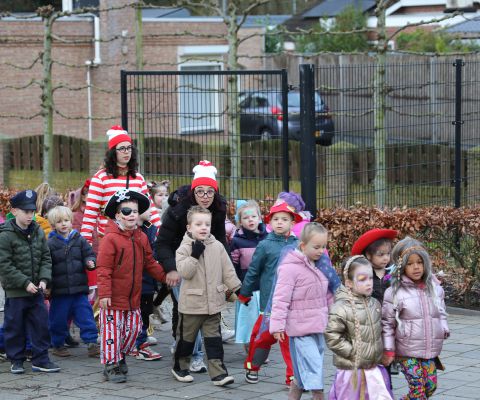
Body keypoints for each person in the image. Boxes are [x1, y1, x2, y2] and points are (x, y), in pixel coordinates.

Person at [155, 160, 229, 373]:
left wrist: (225, 274)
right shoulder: (178, 211)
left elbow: (221, 240)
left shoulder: (218, 208)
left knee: (202, 311)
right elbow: (162, 243)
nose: (205, 196)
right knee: (191, 312)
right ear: (193, 191)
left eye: (210, 192)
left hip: (206, 264)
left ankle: (184, 347)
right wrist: (171, 268)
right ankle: (193, 355)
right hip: (180, 262)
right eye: (200, 191)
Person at [96, 189, 166, 383]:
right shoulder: (110, 239)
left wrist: (165, 276)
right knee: (112, 333)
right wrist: (104, 293)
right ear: (118, 215)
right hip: (113, 299)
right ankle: (111, 365)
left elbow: (150, 262)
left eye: (135, 211)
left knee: (133, 331)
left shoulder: (141, 237)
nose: (132, 215)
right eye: (126, 211)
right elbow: (103, 269)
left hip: (133, 298)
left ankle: (120, 356)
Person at [173, 206, 241, 386]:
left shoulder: (217, 246)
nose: (203, 227)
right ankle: (180, 367)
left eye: (207, 224)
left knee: (214, 341)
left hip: (214, 304)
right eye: (198, 224)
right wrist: (194, 255)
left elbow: (228, 271)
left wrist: (237, 288)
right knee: (186, 340)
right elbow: (185, 272)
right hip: (191, 306)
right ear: (189, 227)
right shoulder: (184, 248)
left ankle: (219, 374)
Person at [238, 200, 301, 385]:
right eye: (276, 219)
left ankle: (292, 376)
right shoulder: (265, 245)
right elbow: (253, 271)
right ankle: (253, 366)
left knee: (289, 340)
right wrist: (245, 292)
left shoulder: (299, 245)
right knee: (262, 337)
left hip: (292, 303)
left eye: (284, 219)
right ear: (269, 222)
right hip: (269, 304)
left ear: (293, 223)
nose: (280, 222)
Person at [270, 222, 333, 400]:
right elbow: (280, 299)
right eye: (316, 247)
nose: (321, 251)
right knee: (314, 367)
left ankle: (294, 394)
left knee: (302, 370)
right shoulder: (289, 268)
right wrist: (277, 326)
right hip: (300, 329)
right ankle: (318, 395)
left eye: (323, 247)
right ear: (303, 246)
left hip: (318, 326)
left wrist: (336, 317)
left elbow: (329, 295)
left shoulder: (322, 266)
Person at [0, 189, 60, 374]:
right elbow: (4, 264)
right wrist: (25, 282)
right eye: (25, 211)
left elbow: (45, 258)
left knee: (41, 325)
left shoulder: (38, 231)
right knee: (14, 327)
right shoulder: (5, 234)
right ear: (14, 211)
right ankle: (16, 359)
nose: (29, 215)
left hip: (37, 291)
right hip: (16, 291)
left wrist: (44, 279)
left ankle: (40, 359)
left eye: (32, 211)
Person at [382, 237, 450, 400]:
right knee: (418, 390)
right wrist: (389, 349)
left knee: (430, 387)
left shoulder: (435, 289)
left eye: (419, 262)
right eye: (410, 263)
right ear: (401, 266)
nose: (416, 267)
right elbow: (387, 324)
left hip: (429, 349)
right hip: (406, 351)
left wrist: (443, 326)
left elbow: (440, 312)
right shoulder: (395, 293)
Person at [325, 255, 394, 399]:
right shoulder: (341, 308)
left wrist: (382, 351)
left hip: (373, 369)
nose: (369, 283)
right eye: (362, 279)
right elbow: (332, 336)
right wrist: (353, 352)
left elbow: (380, 331)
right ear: (349, 283)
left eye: (370, 278)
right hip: (351, 371)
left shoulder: (375, 304)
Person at [81, 125, 161, 245]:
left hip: (134, 237)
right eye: (122, 148)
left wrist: (161, 232)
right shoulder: (101, 178)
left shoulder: (138, 178)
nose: (126, 152)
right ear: (113, 152)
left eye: (129, 148)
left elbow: (150, 208)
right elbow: (90, 213)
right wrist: (86, 244)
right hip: (109, 238)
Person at [46, 206, 100, 358]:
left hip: (79, 290)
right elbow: (46, 265)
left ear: (71, 221)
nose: (63, 224)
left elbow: (89, 254)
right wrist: (47, 285)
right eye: (59, 222)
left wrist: (90, 262)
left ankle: (91, 342)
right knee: (58, 320)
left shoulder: (79, 239)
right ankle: (57, 344)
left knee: (86, 317)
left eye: (66, 220)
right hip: (60, 291)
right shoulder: (50, 243)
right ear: (53, 225)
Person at [230, 200, 267, 352]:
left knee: (264, 319)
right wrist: (236, 286)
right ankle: (250, 345)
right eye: (246, 217)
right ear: (240, 222)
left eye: (253, 216)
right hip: (248, 287)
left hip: (265, 286)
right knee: (249, 319)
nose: (250, 220)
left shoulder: (268, 238)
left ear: (260, 218)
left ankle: (262, 346)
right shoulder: (237, 241)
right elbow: (233, 265)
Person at [129, 207, 163, 361]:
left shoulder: (150, 228)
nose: (151, 210)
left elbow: (154, 251)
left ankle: (140, 341)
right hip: (135, 280)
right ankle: (138, 343)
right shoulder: (130, 230)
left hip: (148, 280)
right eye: (147, 207)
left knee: (145, 312)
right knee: (135, 313)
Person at [351, 228, 398, 303]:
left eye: (388, 253)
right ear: (368, 255)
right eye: (381, 254)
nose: (386, 258)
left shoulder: (393, 271)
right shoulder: (363, 274)